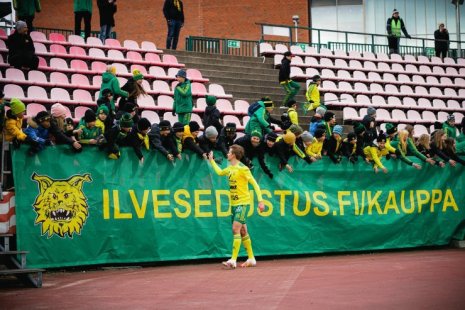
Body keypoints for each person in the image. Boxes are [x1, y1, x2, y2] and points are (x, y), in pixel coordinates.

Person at [207, 144, 265, 269]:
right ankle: (251, 258)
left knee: (235, 229)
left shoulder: (243, 169)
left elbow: (255, 185)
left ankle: (233, 260)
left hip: (243, 204)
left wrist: (260, 201)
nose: (227, 154)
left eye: (229, 152)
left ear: (233, 155)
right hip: (233, 205)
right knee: (243, 231)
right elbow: (220, 172)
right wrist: (211, 161)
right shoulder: (229, 168)